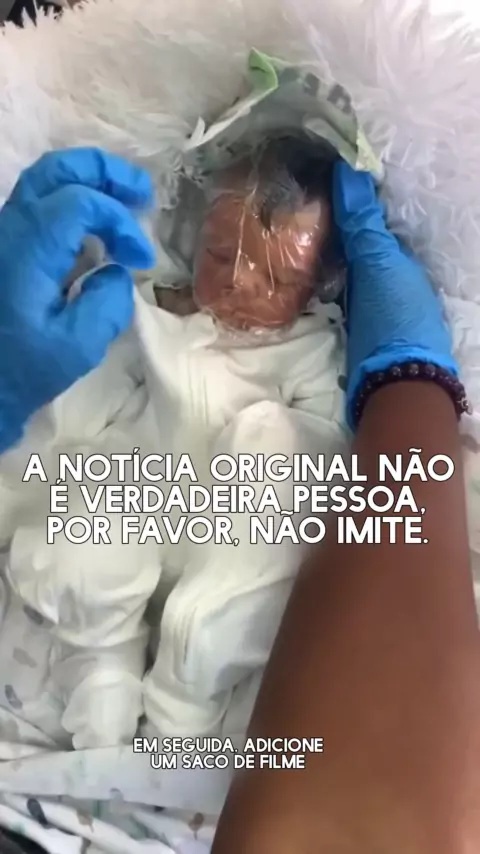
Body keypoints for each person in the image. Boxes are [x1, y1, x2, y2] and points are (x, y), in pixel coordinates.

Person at [0, 148, 479, 849]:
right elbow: (79, 409)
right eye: (221, 254)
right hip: (142, 495)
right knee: (86, 531)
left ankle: (182, 711)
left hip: (234, 522)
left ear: (320, 284)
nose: (239, 282)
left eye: (276, 276)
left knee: (258, 560)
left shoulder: (310, 349)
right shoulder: (153, 318)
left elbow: (328, 452)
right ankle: (100, 668)